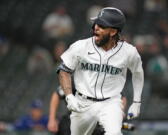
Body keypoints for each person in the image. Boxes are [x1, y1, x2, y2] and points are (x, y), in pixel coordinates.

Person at [56, 7, 144, 135]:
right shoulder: (81, 46)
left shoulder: (129, 52)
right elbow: (64, 70)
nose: (96, 27)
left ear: (113, 31)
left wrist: (136, 102)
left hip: (111, 102)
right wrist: (69, 96)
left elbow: (138, 73)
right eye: (96, 23)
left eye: (102, 26)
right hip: (83, 103)